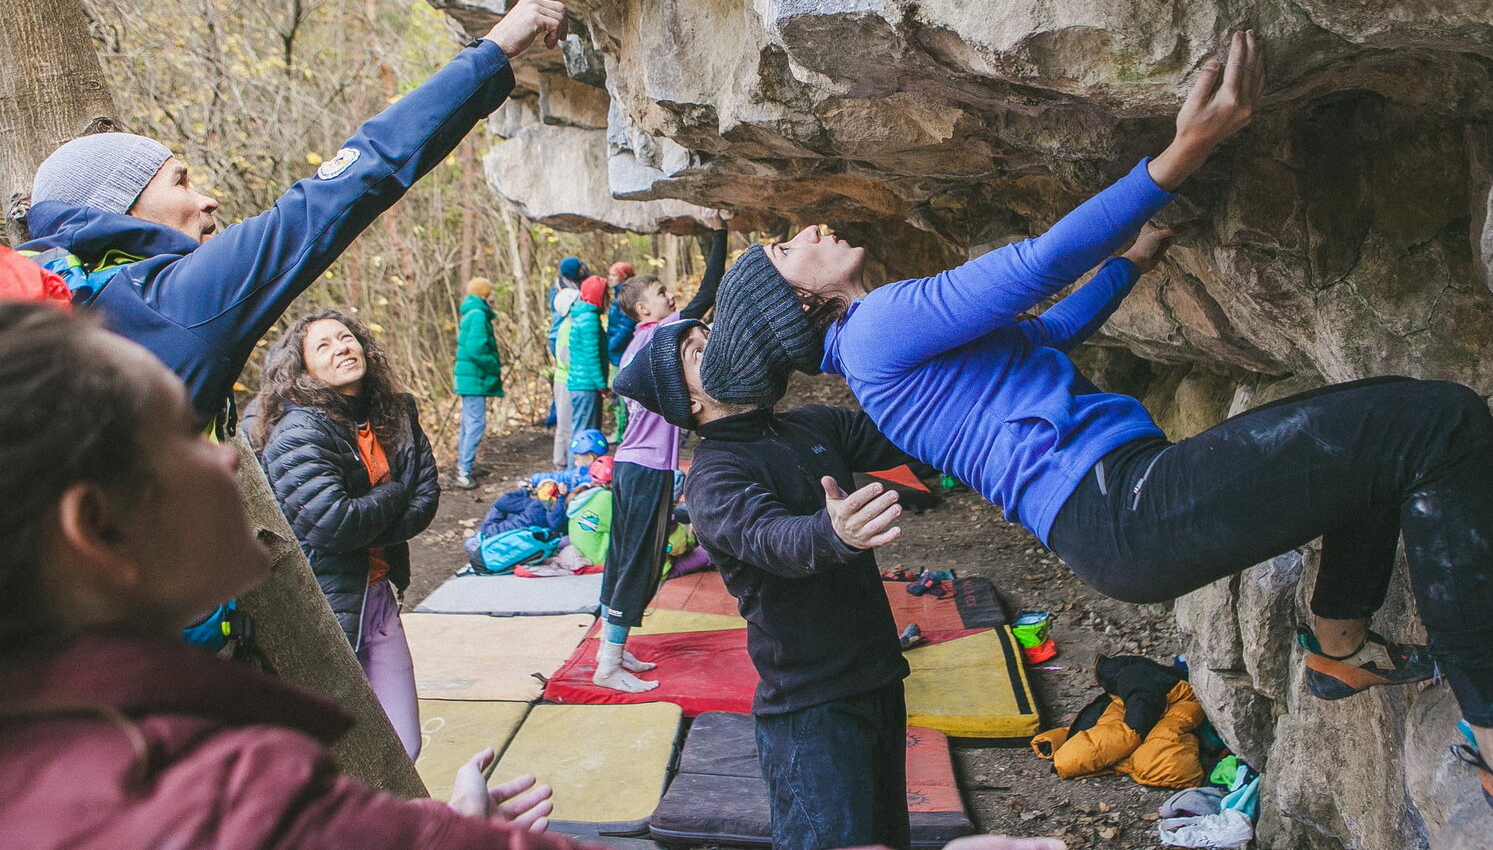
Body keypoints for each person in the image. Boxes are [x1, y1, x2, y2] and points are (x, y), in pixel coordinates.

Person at [702, 30, 1493, 830]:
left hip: (1121, 511)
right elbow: (1038, 266)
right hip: (1128, 506)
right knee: (1444, 425)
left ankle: (1339, 645)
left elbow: (1043, 330)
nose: (812, 231)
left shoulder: (877, 363)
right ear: (796, 305)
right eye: (792, 248)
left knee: (1377, 445)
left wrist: (1135, 260)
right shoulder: (880, 325)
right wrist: (1187, 149)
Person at [0, 302, 1072, 850]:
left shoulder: (111, 761)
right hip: (809, 696)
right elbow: (773, 540)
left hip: (861, 679)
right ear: (97, 530)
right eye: (184, 437)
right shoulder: (228, 801)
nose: (230, 455)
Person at [18, 0, 569, 434]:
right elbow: (356, 176)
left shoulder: (61, 319)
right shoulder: (169, 304)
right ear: (118, 208)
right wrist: (494, 50)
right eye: (179, 182)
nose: (207, 200)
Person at [615, 319, 917, 850]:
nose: (722, 346)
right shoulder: (712, 477)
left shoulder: (813, 425)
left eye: (714, 335)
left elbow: (909, 433)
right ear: (690, 400)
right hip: (810, 712)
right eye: (698, 351)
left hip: (881, 678)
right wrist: (835, 531)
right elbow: (771, 538)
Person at [245, 309, 439, 760]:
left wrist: (371, 514)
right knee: (330, 747)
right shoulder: (298, 429)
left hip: (379, 594)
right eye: (324, 346)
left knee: (403, 742)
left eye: (346, 337)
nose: (342, 348)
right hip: (323, 602)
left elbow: (426, 499)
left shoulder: (395, 411)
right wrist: (392, 493)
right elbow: (332, 523)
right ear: (303, 368)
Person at [590, 213, 728, 693]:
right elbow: (709, 291)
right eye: (662, 294)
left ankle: (614, 646)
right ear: (645, 310)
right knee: (640, 562)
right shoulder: (661, 338)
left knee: (622, 556)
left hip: (631, 465)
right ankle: (607, 664)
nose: (672, 297)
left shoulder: (636, 344)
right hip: (646, 469)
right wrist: (719, 232)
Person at [454, 276, 503, 489]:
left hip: (470, 378)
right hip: (474, 379)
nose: (493, 294)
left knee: (469, 422)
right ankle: (464, 471)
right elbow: (476, 349)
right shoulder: (478, 316)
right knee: (476, 423)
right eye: (490, 291)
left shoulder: (473, 313)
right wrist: (493, 365)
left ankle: (463, 466)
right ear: (484, 293)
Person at [565, 275, 610, 443]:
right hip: (586, 386)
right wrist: (602, 385)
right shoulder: (589, 319)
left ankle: (583, 467)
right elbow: (592, 356)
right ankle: (576, 468)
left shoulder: (584, 316)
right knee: (583, 435)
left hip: (583, 384)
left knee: (584, 431)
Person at [545, 257, 587, 431]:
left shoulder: (564, 284)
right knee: (566, 377)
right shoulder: (565, 291)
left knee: (564, 377)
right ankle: (559, 417)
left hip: (559, 336)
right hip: (561, 337)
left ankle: (558, 417)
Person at [603, 259, 638, 443]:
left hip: (622, 352)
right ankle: (621, 430)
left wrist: (611, 345)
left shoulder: (625, 297)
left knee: (619, 393)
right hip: (617, 352)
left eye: (614, 274)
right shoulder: (619, 296)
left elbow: (626, 325)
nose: (610, 278)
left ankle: (622, 432)